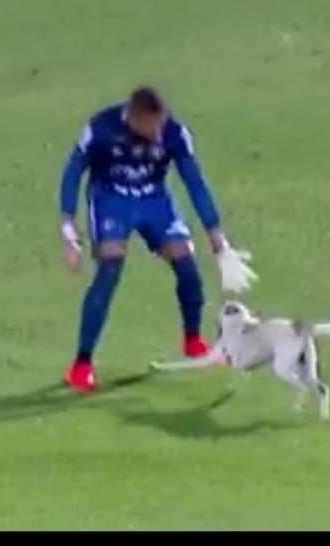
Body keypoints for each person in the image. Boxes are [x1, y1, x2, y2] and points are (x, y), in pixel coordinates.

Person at [58, 86, 255, 392]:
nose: (158, 132)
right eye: (152, 126)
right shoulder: (102, 128)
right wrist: (68, 228)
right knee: (110, 269)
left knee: (186, 262)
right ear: (135, 119)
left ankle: (193, 341)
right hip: (111, 200)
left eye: (161, 124)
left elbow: (195, 182)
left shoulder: (174, 133)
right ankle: (82, 364)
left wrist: (217, 238)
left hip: (155, 201)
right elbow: (73, 172)